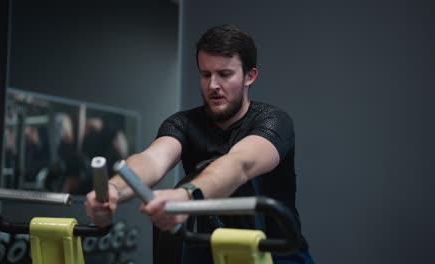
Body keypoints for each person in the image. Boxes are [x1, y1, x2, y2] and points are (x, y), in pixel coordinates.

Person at [85, 24, 314, 264]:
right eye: (205, 75)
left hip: (277, 252)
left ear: (250, 76)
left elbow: (239, 164)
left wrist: (186, 197)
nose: (212, 85)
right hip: (213, 252)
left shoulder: (273, 121)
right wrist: (112, 192)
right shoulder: (183, 123)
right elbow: (151, 160)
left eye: (224, 74)